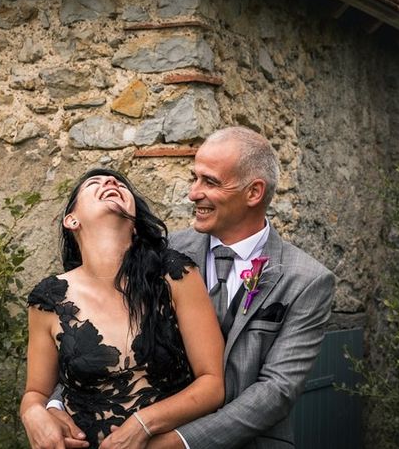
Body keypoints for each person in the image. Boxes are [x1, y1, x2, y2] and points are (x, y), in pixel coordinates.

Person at [28, 127, 335, 449]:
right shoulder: (162, 254)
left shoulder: (306, 280)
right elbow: (101, 336)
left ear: (254, 193)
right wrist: (50, 405)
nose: (193, 193)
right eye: (194, 178)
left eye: (210, 182)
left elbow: (277, 391)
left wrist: (175, 442)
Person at [20, 169, 225, 449]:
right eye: (94, 183)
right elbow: (36, 392)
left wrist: (142, 424)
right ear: (72, 220)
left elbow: (212, 384)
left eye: (119, 183)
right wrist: (32, 413)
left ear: (135, 225)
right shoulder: (48, 299)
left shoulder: (175, 274)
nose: (110, 182)